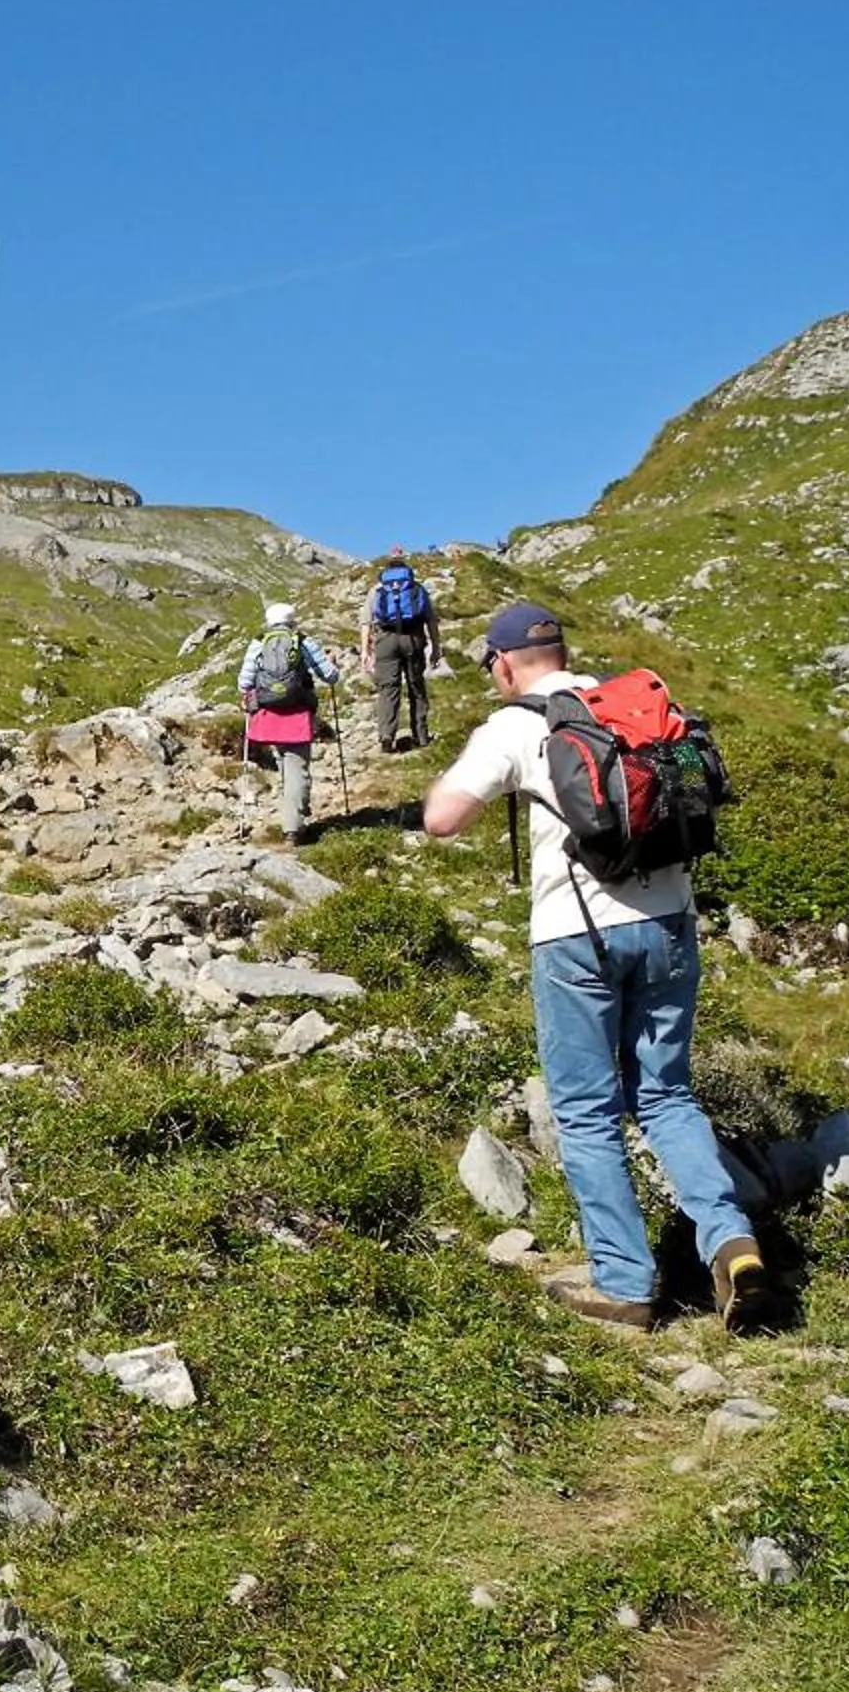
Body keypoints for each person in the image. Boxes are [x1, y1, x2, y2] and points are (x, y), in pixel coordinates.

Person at [422, 601, 766, 1333]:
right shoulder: (629, 705)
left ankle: (625, 1283)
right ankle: (734, 1245)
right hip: (670, 923)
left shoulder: (519, 722)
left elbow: (442, 819)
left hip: (577, 939)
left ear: (505, 662)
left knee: (584, 1109)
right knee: (668, 1095)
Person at [237, 601, 346, 841]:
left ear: (268, 622)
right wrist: (335, 665)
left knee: (284, 764)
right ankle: (293, 828)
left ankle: (293, 814)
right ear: (293, 620)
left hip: (267, 714)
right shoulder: (303, 642)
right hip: (297, 713)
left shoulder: (258, 643)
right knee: (298, 768)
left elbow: (244, 683)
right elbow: (330, 676)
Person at [360, 545, 443, 751]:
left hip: (386, 640)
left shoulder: (377, 590)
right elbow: (431, 620)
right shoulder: (416, 588)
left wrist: (365, 651)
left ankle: (386, 737)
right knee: (416, 686)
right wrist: (436, 647)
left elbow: (365, 622)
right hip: (413, 638)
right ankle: (421, 736)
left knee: (388, 689)